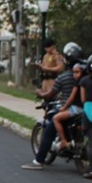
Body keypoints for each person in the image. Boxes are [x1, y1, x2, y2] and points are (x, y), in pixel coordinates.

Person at [22, 42, 83, 170]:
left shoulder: (64, 77)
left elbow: (50, 95)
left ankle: (39, 161)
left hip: (69, 108)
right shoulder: (85, 76)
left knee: (49, 130)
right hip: (84, 109)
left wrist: (40, 92)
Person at [51, 62, 86, 150]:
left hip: (76, 109)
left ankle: (63, 141)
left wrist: (64, 107)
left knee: (56, 118)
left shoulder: (78, 83)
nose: (74, 74)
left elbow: (71, 98)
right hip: (84, 110)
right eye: (73, 72)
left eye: (77, 72)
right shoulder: (88, 81)